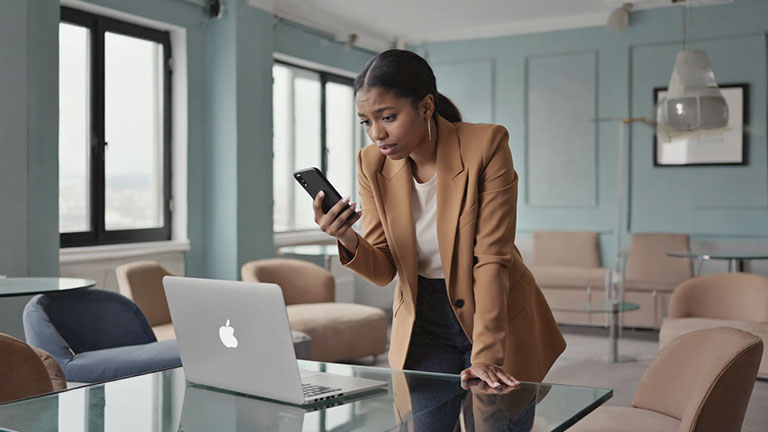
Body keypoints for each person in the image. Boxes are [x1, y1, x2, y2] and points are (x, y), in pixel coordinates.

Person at [312, 49, 565, 387]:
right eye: (366, 121)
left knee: (495, 425)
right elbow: (385, 269)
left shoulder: (486, 145)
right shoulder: (371, 163)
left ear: (426, 106)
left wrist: (486, 354)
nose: (376, 133)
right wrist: (346, 236)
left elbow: (491, 259)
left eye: (388, 117)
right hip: (423, 321)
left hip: (493, 311)